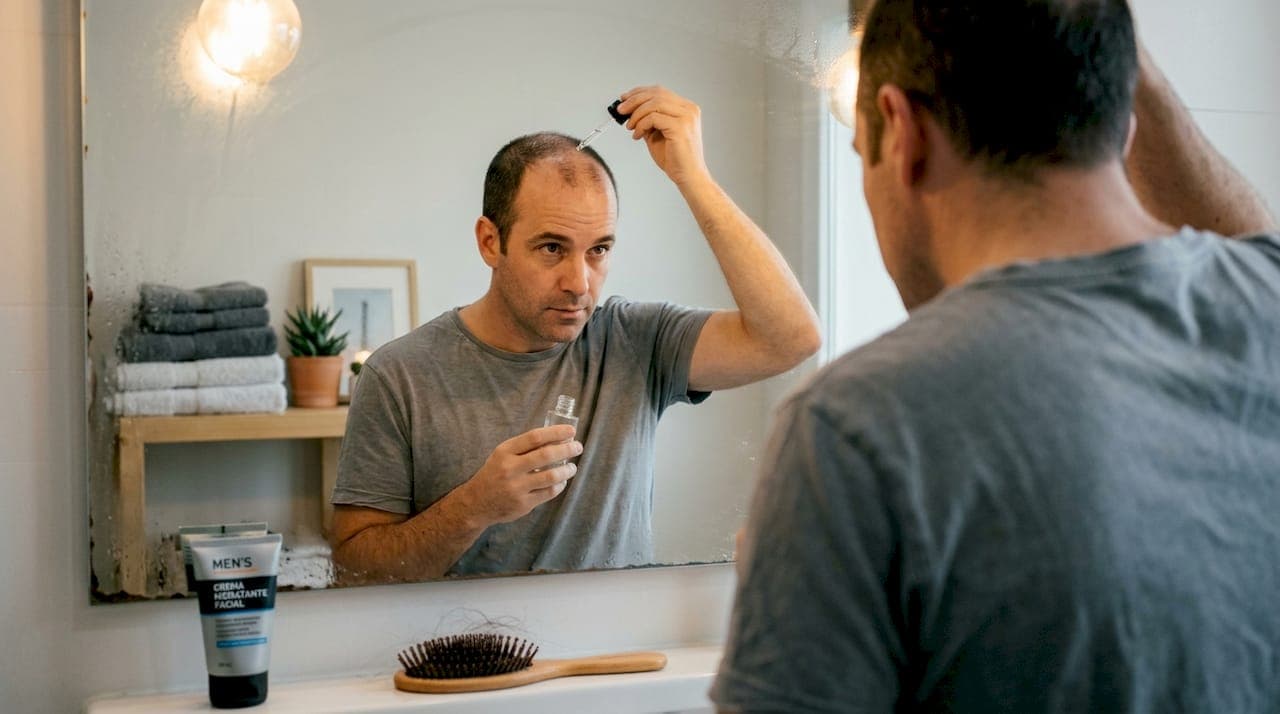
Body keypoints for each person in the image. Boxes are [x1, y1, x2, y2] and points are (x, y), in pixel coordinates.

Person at [714, 1, 1279, 711]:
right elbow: (1254, 251)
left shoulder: (859, 427)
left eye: (862, 155)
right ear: (1125, 119)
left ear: (902, 131)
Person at [329, 86, 822, 582]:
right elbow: (356, 571)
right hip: (463, 654)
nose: (579, 283)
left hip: (614, 653)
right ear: (490, 241)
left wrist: (692, 177)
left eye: (599, 249)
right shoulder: (399, 375)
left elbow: (791, 337)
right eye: (551, 248)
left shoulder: (635, 342)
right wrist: (474, 506)